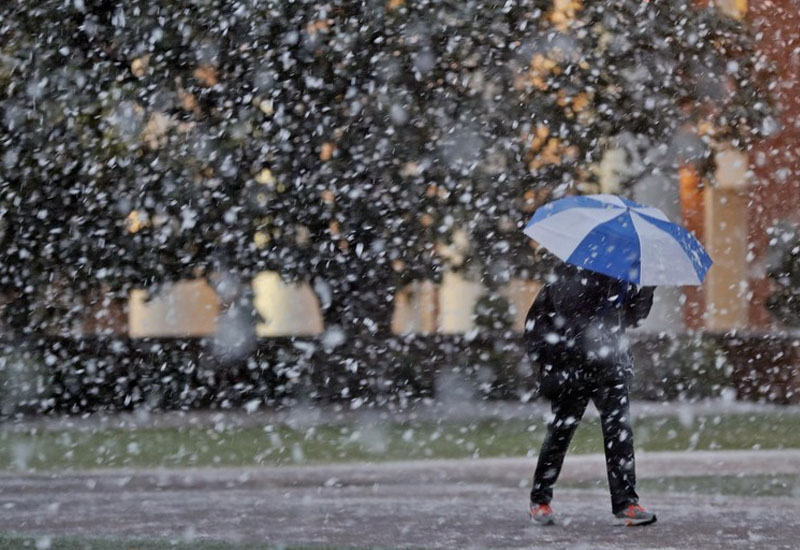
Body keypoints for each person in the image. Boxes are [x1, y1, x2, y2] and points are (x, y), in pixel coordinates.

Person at [525, 262, 657, 527]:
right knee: (561, 432)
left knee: (619, 432)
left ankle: (626, 503)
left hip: (609, 365)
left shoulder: (622, 276)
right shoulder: (571, 271)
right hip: (572, 365)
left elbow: (633, 318)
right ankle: (540, 499)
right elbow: (572, 315)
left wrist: (646, 289)